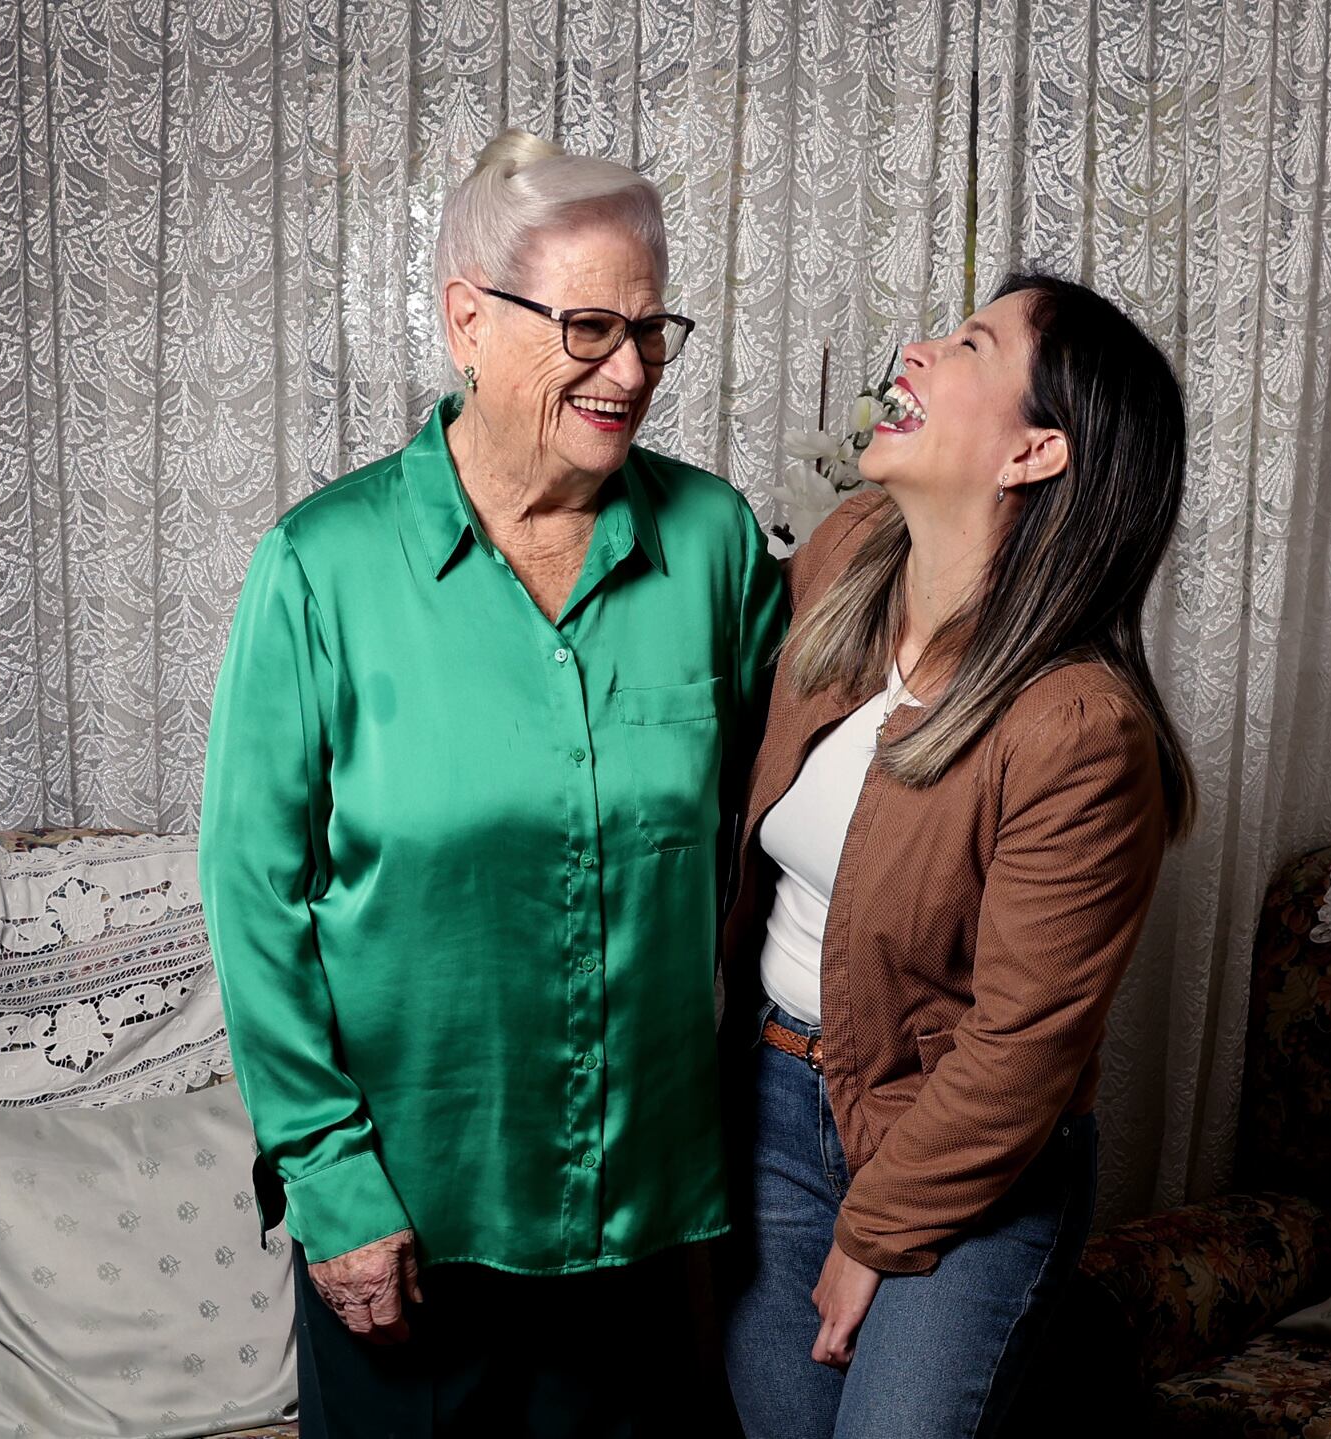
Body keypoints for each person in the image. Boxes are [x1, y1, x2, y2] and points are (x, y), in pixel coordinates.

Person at [197, 128, 785, 1438]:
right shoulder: (320, 566)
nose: (629, 371)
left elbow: (779, 824)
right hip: (409, 1231)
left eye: (651, 329)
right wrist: (333, 1185)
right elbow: (253, 896)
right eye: (587, 326)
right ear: (467, 318)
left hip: (644, 1229)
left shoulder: (717, 544)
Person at [719, 272, 1197, 1439]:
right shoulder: (842, 560)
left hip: (964, 1157)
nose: (918, 349)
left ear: (1035, 451)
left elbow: (1023, 1047)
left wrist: (878, 1231)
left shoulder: (1082, 730)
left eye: (971, 343)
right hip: (769, 1110)